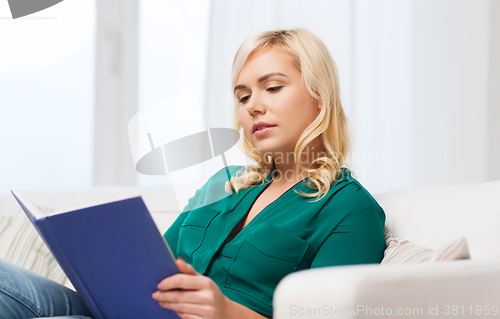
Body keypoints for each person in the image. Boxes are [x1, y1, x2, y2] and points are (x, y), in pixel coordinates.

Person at [0, 28, 385, 319]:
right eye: (243, 96)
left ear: (320, 95)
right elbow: (155, 264)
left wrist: (226, 311)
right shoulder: (223, 182)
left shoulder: (351, 207)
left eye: (271, 87)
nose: (252, 107)